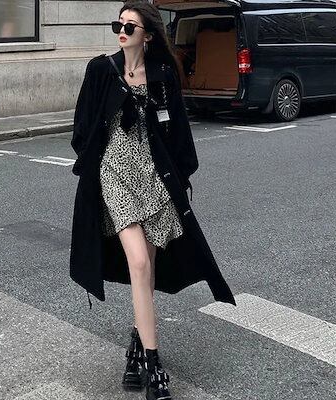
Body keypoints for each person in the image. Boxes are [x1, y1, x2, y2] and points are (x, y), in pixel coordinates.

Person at [69, 1, 236, 400]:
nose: (122, 32)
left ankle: (135, 347)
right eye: (119, 25)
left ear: (147, 35)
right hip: (115, 173)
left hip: (153, 175)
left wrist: (180, 176)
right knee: (139, 262)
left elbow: (177, 129)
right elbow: (82, 127)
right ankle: (154, 363)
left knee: (149, 267)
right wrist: (96, 164)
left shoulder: (162, 75)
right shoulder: (101, 70)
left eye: (130, 26)